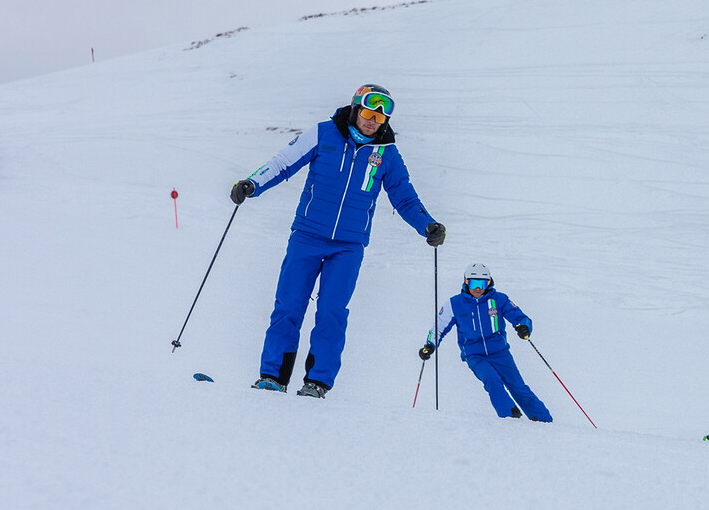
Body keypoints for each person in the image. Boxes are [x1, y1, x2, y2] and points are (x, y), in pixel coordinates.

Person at [230, 84, 446, 398]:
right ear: (356, 109)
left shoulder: (387, 153)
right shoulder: (323, 134)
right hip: (307, 235)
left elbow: (405, 198)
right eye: (368, 113)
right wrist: (252, 184)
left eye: (380, 118)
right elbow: (282, 163)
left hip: (348, 246)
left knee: (332, 312)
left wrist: (427, 225)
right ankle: (272, 377)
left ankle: (317, 382)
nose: (372, 121)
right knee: (289, 305)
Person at [419, 263, 552, 421]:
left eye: (482, 284)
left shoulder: (499, 299)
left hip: (500, 352)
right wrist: (430, 345)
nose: (477, 289)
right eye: (473, 283)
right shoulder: (454, 304)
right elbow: (439, 327)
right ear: (466, 282)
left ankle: (543, 419)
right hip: (474, 355)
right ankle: (510, 416)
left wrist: (523, 326)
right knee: (491, 379)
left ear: (489, 283)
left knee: (518, 386)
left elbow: (519, 316)